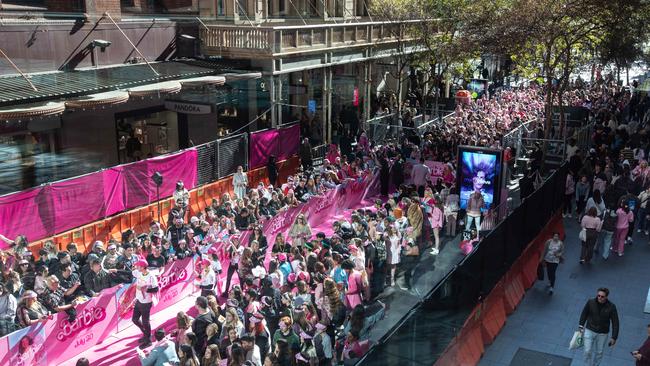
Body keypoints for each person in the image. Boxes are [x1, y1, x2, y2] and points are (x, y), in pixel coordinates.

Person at [578, 287, 619, 366]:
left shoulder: (611, 307)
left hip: (602, 333)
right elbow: (584, 313)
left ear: (606, 297)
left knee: (599, 352)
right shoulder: (591, 302)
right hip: (590, 329)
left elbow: (615, 323)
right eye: (598, 295)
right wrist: (581, 325)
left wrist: (614, 337)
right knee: (587, 350)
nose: (600, 298)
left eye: (602, 296)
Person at [132, 259, 159, 348]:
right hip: (139, 300)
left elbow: (156, 289)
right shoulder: (138, 272)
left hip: (146, 302)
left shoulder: (151, 276)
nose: (136, 267)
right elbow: (128, 272)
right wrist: (116, 270)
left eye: (138, 266)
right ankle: (146, 334)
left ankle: (148, 341)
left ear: (143, 267)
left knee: (145, 322)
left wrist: (146, 289)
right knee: (135, 319)